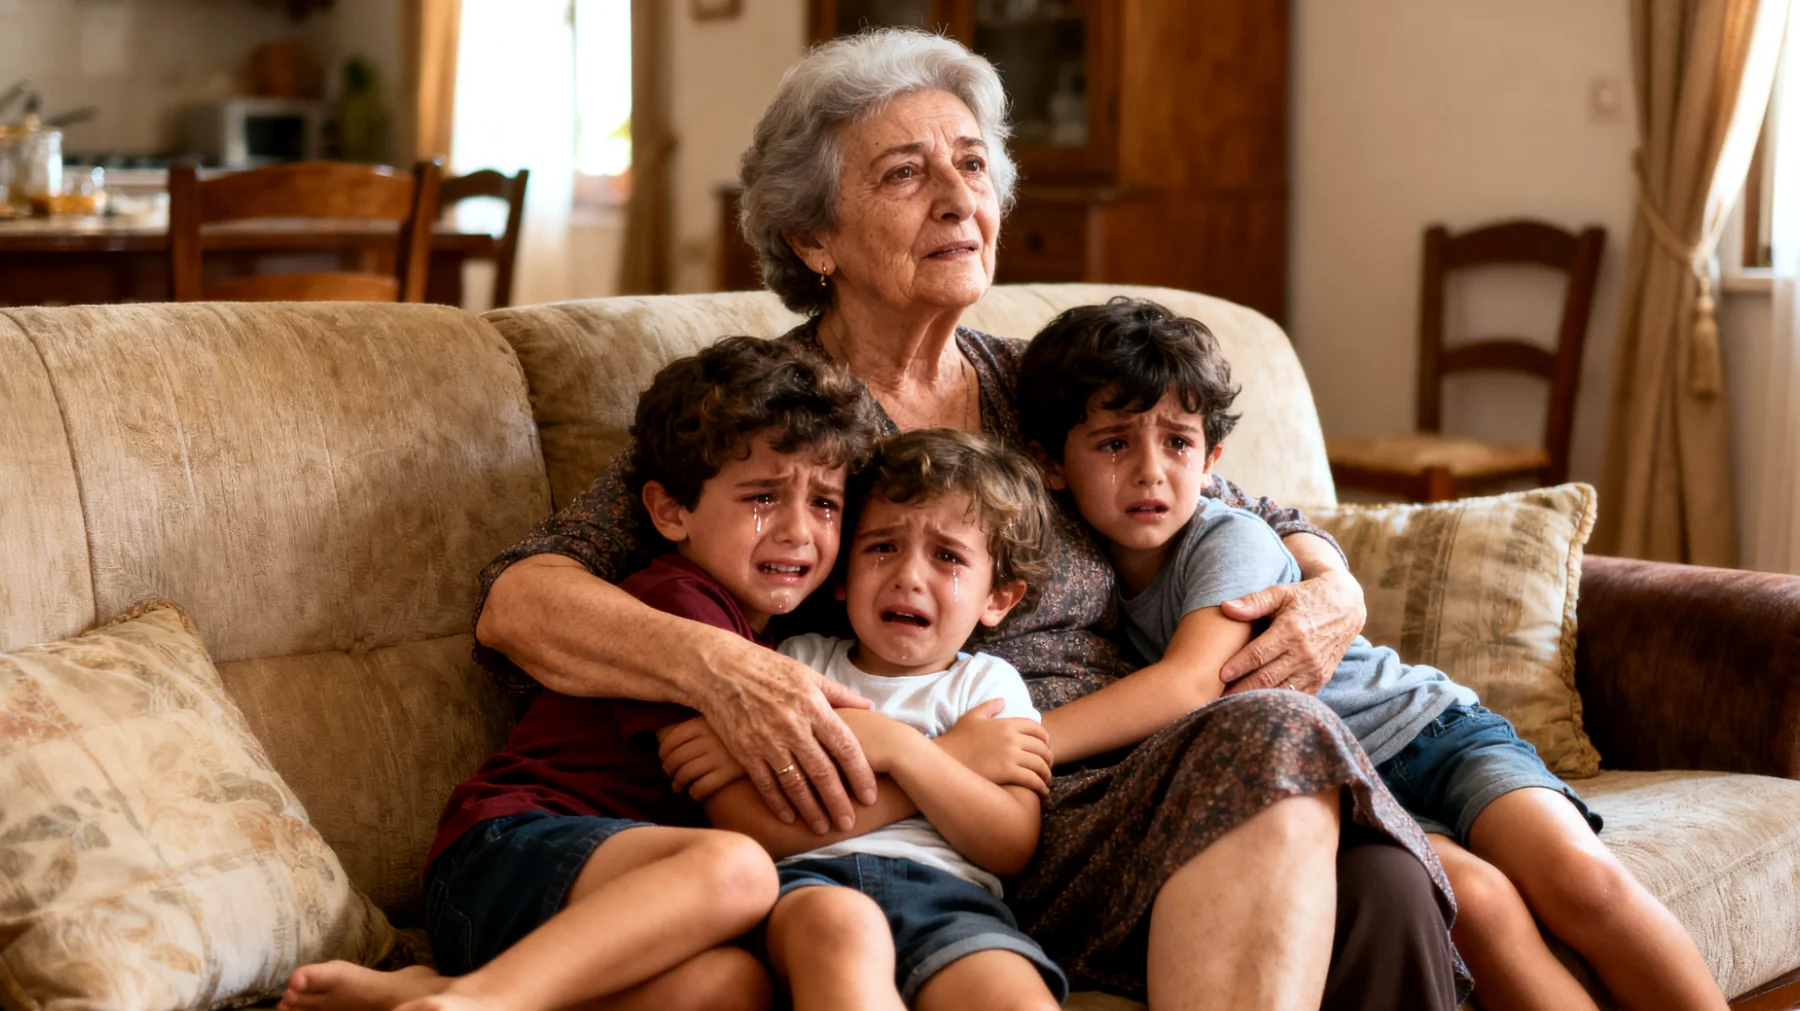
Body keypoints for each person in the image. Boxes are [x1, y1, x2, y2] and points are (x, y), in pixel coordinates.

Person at [475, 28, 1462, 1009]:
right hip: (951, 821)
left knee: (1390, 883)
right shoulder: (777, 418)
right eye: (907, 175)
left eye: (974, 165)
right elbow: (523, 598)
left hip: (1131, 780)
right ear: (813, 238)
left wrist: (1333, 582)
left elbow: (1243, 500)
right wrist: (730, 672)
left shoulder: (1034, 380)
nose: (960, 199)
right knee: (1282, 737)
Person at [1014, 296, 1728, 1011]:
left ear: (1212, 461)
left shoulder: (1232, 539)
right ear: (1050, 462)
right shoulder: (1092, 581)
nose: (1150, 472)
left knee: (1581, 880)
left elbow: (1191, 684)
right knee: (1475, 905)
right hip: (1352, 788)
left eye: (1177, 442)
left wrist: (1011, 747)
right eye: (1114, 443)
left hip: (1431, 733)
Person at [279, 336, 883, 1011]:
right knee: (738, 866)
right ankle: (487, 999)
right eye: (764, 496)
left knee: (727, 987)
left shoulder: (783, 638)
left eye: (826, 503)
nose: (801, 530)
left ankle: (439, 993)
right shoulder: (677, 602)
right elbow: (751, 814)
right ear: (670, 510)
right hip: (509, 855)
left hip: (579, 913)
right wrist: (940, 770)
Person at [665, 429, 1067, 1010]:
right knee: (841, 936)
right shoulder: (795, 665)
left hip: (951, 901)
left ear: (997, 599)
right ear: (844, 576)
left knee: (1015, 997)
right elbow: (748, 829)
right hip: (807, 889)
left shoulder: (988, 688)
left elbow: (1010, 844)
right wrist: (941, 754)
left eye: (948, 557)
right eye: (882, 547)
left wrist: (900, 749)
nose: (908, 576)